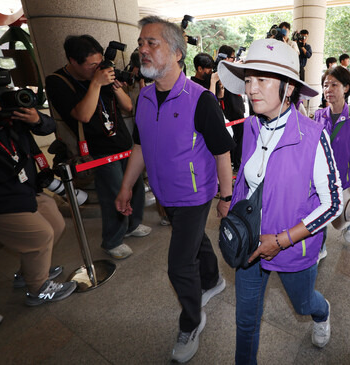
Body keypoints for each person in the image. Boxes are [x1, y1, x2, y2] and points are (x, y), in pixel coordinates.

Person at [218, 37, 342, 364]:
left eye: (262, 79)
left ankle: (322, 312)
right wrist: (230, 202)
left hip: (292, 247)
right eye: (248, 80)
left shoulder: (313, 136)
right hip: (250, 242)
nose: (251, 88)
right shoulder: (250, 125)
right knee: (245, 321)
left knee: (303, 305)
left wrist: (282, 239)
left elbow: (333, 203)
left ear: (288, 87)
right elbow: (250, 177)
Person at [115, 16, 232, 363]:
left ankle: (192, 320)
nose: (142, 50)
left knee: (179, 265)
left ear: (178, 53)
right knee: (195, 240)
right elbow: (139, 147)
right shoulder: (144, 98)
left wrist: (226, 197)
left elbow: (222, 152)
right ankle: (212, 280)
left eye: (153, 43)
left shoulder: (200, 100)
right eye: (141, 44)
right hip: (166, 196)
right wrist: (126, 187)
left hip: (195, 195)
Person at [0, 59, 76, 306]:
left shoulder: (6, 111)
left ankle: (28, 273)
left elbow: (48, 128)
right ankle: (38, 289)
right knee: (39, 236)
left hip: (20, 188)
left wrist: (35, 119)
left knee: (55, 222)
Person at [46, 35, 150, 261]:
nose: (97, 68)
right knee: (114, 194)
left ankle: (132, 225)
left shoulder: (103, 73)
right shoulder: (57, 81)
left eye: (99, 62)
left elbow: (127, 105)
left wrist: (114, 86)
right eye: (91, 65)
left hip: (122, 140)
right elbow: (82, 115)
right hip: (99, 148)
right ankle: (112, 241)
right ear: (73, 61)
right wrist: (96, 83)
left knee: (136, 187)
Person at [314, 65, 350, 243]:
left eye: (334, 85)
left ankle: (348, 224)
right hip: (321, 177)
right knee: (319, 214)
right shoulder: (319, 115)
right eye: (325, 85)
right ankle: (320, 248)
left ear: (346, 88)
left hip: (344, 178)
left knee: (340, 215)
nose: (328, 89)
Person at [218, 45, 246, 171]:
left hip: (235, 106)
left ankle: (235, 161)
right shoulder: (222, 70)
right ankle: (236, 163)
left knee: (238, 135)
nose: (233, 60)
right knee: (239, 135)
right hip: (233, 107)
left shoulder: (225, 68)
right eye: (232, 58)